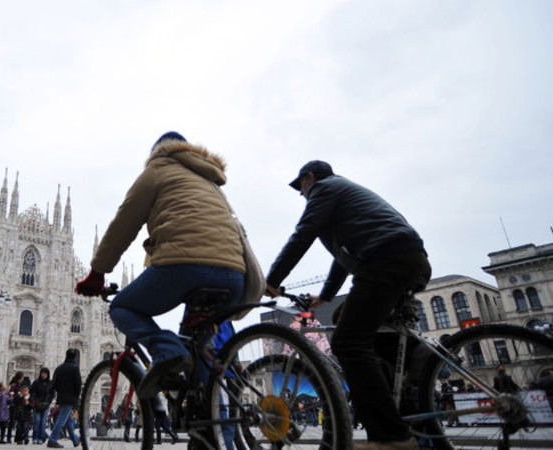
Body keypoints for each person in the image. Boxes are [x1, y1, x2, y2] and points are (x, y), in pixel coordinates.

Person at [265, 160, 431, 450]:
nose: (301, 194)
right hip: (407, 259)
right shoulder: (345, 196)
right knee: (348, 318)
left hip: (384, 262)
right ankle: (417, 357)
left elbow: (303, 233)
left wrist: (273, 279)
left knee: (347, 343)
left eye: (300, 187)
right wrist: (326, 296)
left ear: (310, 178)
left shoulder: (325, 189)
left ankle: (392, 438)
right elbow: (341, 259)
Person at [75, 131, 245, 399]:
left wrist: (97, 273)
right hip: (234, 277)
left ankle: (167, 351)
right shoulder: (210, 181)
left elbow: (124, 224)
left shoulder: (157, 170)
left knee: (122, 306)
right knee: (197, 346)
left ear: (157, 152)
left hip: (186, 266)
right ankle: (208, 430)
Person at [46, 349, 81, 448]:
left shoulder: (59, 368)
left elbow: (54, 383)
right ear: (74, 357)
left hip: (61, 396)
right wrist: (76, 396)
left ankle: (75, 439)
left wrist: (59, 392)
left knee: (68, 419)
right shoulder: (74, 368)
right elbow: (78, 384)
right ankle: (52, 440)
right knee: (62, 419)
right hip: (70, 397)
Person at [30, 367, 54, 444]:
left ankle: (41, 437)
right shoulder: (36, 382)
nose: (43, 375)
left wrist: (49, 402)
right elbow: (31, 392)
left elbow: (52, 394)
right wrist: (34, 400)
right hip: (37, 404)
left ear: (48, 374)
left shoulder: (50, 383)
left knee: (43, 422)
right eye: (42, 373)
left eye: (45, 373)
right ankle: (35, 437)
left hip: (45, 405)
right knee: (37, 421)